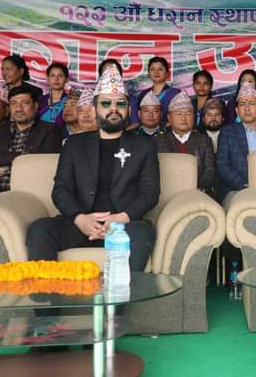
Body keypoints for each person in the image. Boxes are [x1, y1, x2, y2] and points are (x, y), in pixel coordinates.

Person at [26, 65, 159, 274]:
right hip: (81, 224)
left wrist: (120, 218)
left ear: (129, 109)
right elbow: (61, 190)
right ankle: (48, 296)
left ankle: (121, 296)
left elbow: (150, 192)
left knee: (142, 233)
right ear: (96, 108)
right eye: (106, 103)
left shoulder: (144, 145)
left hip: (124, 225)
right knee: (40, 229)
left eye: (120, 104)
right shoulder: (74, 144)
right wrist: (80, 219)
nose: (113, 109)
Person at [0, 85, 62, 195]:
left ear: (35, 106)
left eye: (25, 103)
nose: (18, 109)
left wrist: (6, 169)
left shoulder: (50, 130)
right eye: (13, 103)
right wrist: (24, 155)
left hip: (28, 193)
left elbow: (42, 164)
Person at [155, 92, 215, 196]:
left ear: (194, 117)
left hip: (197, 194)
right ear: (169, 117)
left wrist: (199, 188)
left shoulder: (204, 140)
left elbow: (209, 170)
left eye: (188, 114)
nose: (183, 118)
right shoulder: (158, 141)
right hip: (166, 194)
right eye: (179, 114)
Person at [137, 57, 180, 125]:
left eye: (160, 69)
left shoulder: (176, 93)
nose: (156, 72)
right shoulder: (143, 94)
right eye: (153, 69)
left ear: (167, 73)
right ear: (149, 73)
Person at [98, 59, 139, 125]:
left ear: (120, 75)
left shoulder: (131, 99)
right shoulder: (93, 99)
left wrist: (118, 131)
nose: (111, 73)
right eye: (106, 71)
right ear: (101, 76)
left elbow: (135, 124)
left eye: (114, 70)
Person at [38, 63, 69, 129]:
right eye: (52, 76)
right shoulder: (40, 101)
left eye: (60, 76)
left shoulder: (70, 101)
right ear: (47, 79)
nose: (56, 79)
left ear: (67, 79)